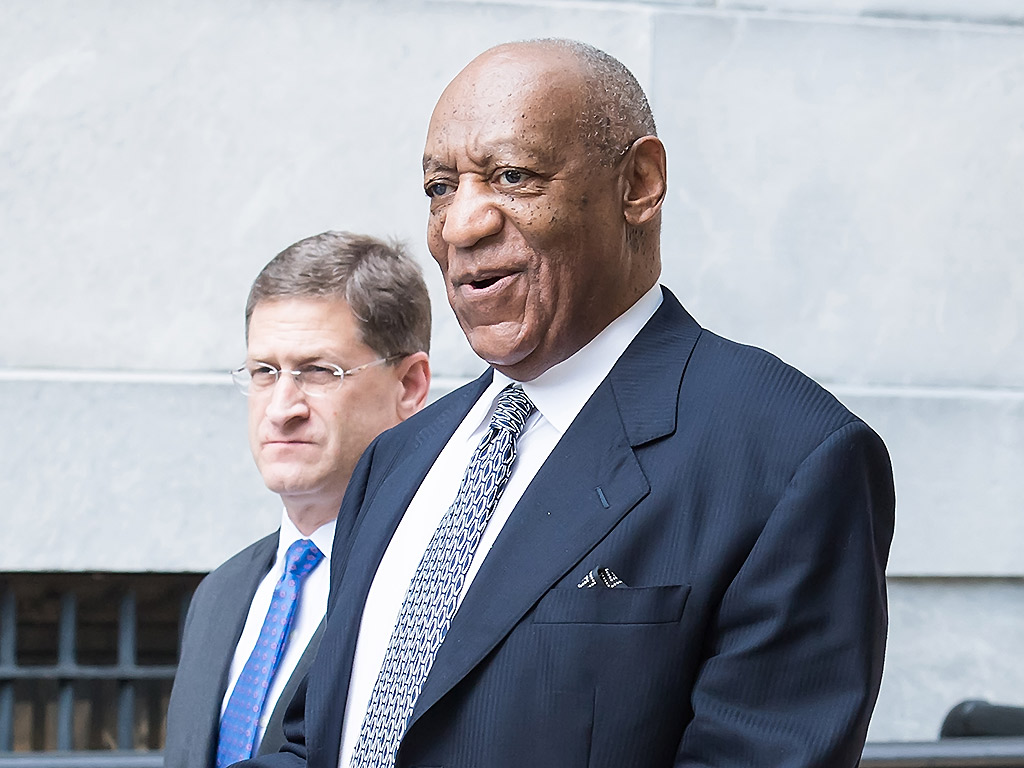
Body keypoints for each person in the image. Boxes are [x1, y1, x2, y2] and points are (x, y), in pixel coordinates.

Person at [240, 39, 895, 768]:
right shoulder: (397, 460)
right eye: (440, 188)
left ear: (639, 184)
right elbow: (316, 741)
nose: (460, 226)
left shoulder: (788, 458)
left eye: (511, 176)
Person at [164, 231, 431, 768]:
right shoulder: (219, 594)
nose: (282, 408)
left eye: (318, 371)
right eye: (264, 372)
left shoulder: (433, 587)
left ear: (408, 385)